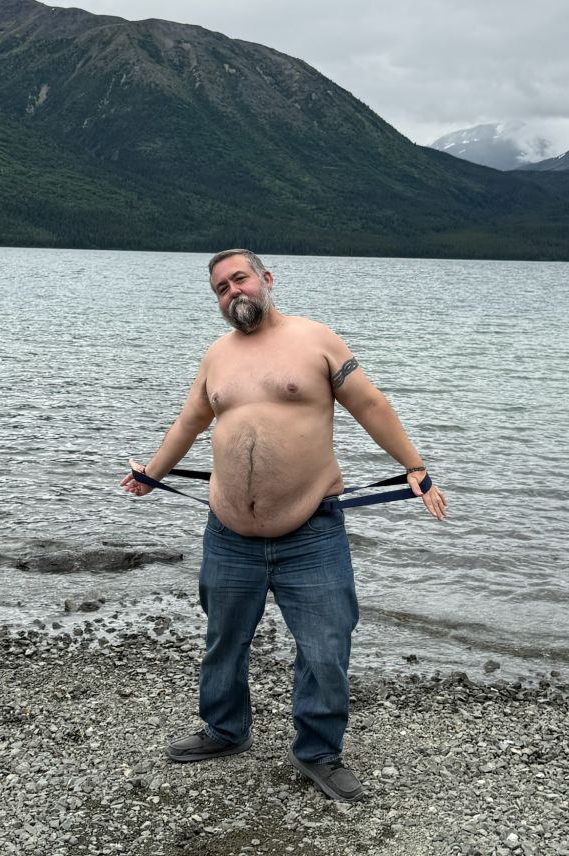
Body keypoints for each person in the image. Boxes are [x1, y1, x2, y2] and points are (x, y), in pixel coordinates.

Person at [120, 248, 446, 802]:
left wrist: (413, 466)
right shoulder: (216, 357)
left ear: (266, 279)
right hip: (228, 535)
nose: (232, 292)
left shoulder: (316, 339)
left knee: (325, 646)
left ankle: (317, 751)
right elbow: (190, 423)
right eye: (221, 288)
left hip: (311, 533)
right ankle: (225, 729)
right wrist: (151, 473)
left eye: (240, 279)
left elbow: (370, 404)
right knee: (224, 641)